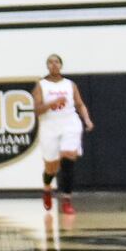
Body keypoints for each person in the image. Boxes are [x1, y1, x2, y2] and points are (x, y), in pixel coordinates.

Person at [34, 53, 93, 216]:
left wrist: (87, 120)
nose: (54, 65)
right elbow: (36, 110)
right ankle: (47, 189)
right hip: (50, 125)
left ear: (61, 65)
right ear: (47, 66)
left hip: (69, 123)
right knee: (51, 168)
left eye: (57, 62)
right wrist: (52, 103)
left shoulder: (70, 85)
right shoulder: (41, 85)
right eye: (51, 62)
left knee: (68, 158)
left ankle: (67, 200)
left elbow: (80, 105)